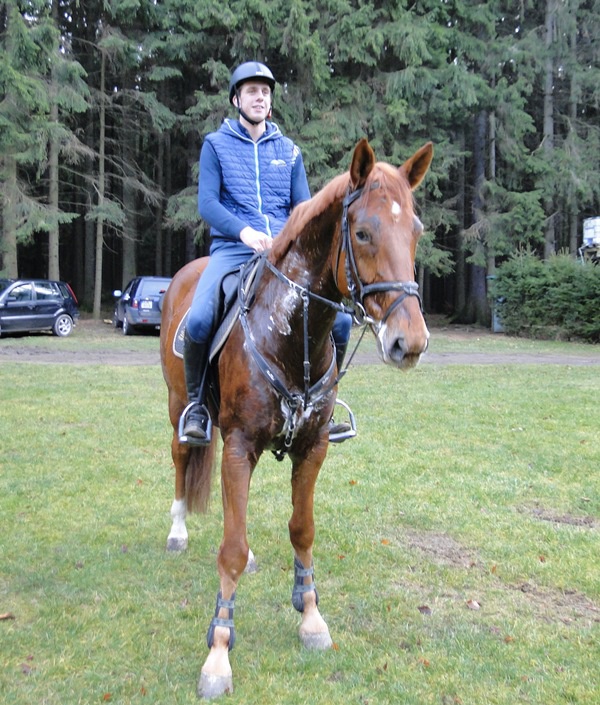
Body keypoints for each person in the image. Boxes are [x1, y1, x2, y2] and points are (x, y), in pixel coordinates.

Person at [181, 61, 353, 446]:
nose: (259, 97)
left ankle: (325, 404)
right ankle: (196, 406)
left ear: (270, 101)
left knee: (341, 323)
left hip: (283, 255)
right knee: (200, 320)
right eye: (251, 91)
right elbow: (207, 203)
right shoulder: (216, 145)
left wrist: (290, 241)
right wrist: (244, 232)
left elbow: (304, 208)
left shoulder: (289, 151)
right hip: (232, 250)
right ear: (236, 99)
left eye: (265, 92)